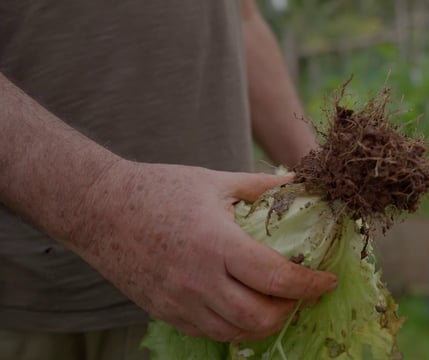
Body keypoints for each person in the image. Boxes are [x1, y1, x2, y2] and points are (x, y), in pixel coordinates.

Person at [0, 1, 337, 359]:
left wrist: (327, 179)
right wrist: (105, 206)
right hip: (32, 310)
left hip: (222, 297)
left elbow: (242, 18)